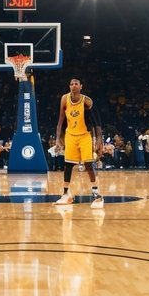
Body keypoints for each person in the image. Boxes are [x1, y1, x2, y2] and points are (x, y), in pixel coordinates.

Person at [54, 78, 103, 208]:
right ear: (69, 86)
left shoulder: (87, 101)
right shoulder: (64, 99)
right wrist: (58, 139)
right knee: (68, 164)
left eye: (76, 84)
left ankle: (97, 194)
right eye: (71, 84)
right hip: (70, 134)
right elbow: (60, 121)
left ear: (81, 86)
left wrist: (99, 140)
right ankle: (66, 194)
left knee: (88, 164)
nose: (73, 86)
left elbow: (97, 122)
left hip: (85, 135)